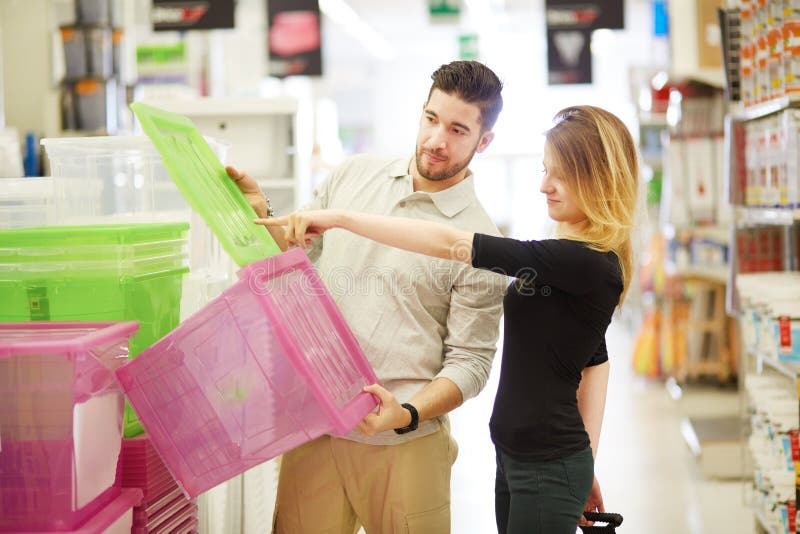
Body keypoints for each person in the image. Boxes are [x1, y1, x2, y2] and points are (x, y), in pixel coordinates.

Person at [258, 105, 639, 534]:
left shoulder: (585, 263)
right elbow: (595, 361)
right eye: (545, 170)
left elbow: (448, 242)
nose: (544, 186)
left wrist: (342, 219)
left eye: (561, 175)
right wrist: (587, 463)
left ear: (599, 179)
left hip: (547, 464)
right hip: (518, 456)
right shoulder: (567, 261)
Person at [227, 60, 508, 533]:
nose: (437, 140)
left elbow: (471, 363)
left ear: (484, 142)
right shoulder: (352, 177)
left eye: (458, 130)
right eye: (431, 119)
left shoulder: (480, 240)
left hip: (406, 447)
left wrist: (408, 414)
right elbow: (293, 255)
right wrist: (261, 211)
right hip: (315, 428)